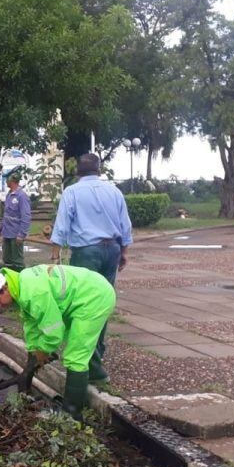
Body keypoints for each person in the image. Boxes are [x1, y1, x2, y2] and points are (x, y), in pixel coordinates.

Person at [0, 265, 116, 420]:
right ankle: (97, 375)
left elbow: (54, 332)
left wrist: (43, 350)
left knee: (76, 355)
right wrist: (32, 355)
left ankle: (71, 414)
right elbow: (32, 324)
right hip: (80, 295)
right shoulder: (21, 285)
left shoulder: (34, 293)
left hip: (94, 297)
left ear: (5, 288)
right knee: (78, 343)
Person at [49, 153, 132, 383]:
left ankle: (89, 365)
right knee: (102, 303)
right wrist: (124, 252)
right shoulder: (114, 191)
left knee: (82, 305)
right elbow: (125, 224)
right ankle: (96, 358)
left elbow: (62, 225)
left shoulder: (72, 192)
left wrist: (55, 256)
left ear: (78, 172)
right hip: (111, 250)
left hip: (86, 253)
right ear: (99, 170)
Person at [0, 170, 31, 271]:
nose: (6, 181)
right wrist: (0, 229)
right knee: (7, 259)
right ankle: (9, 281)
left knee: (17, 261)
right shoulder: (9, 195)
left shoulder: (21, 196)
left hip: (16, 234)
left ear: (12, 180)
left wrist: (21, 234)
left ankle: (20, 280)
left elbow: (26, 216)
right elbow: (6, 214)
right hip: (7, 233)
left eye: (7, 179)